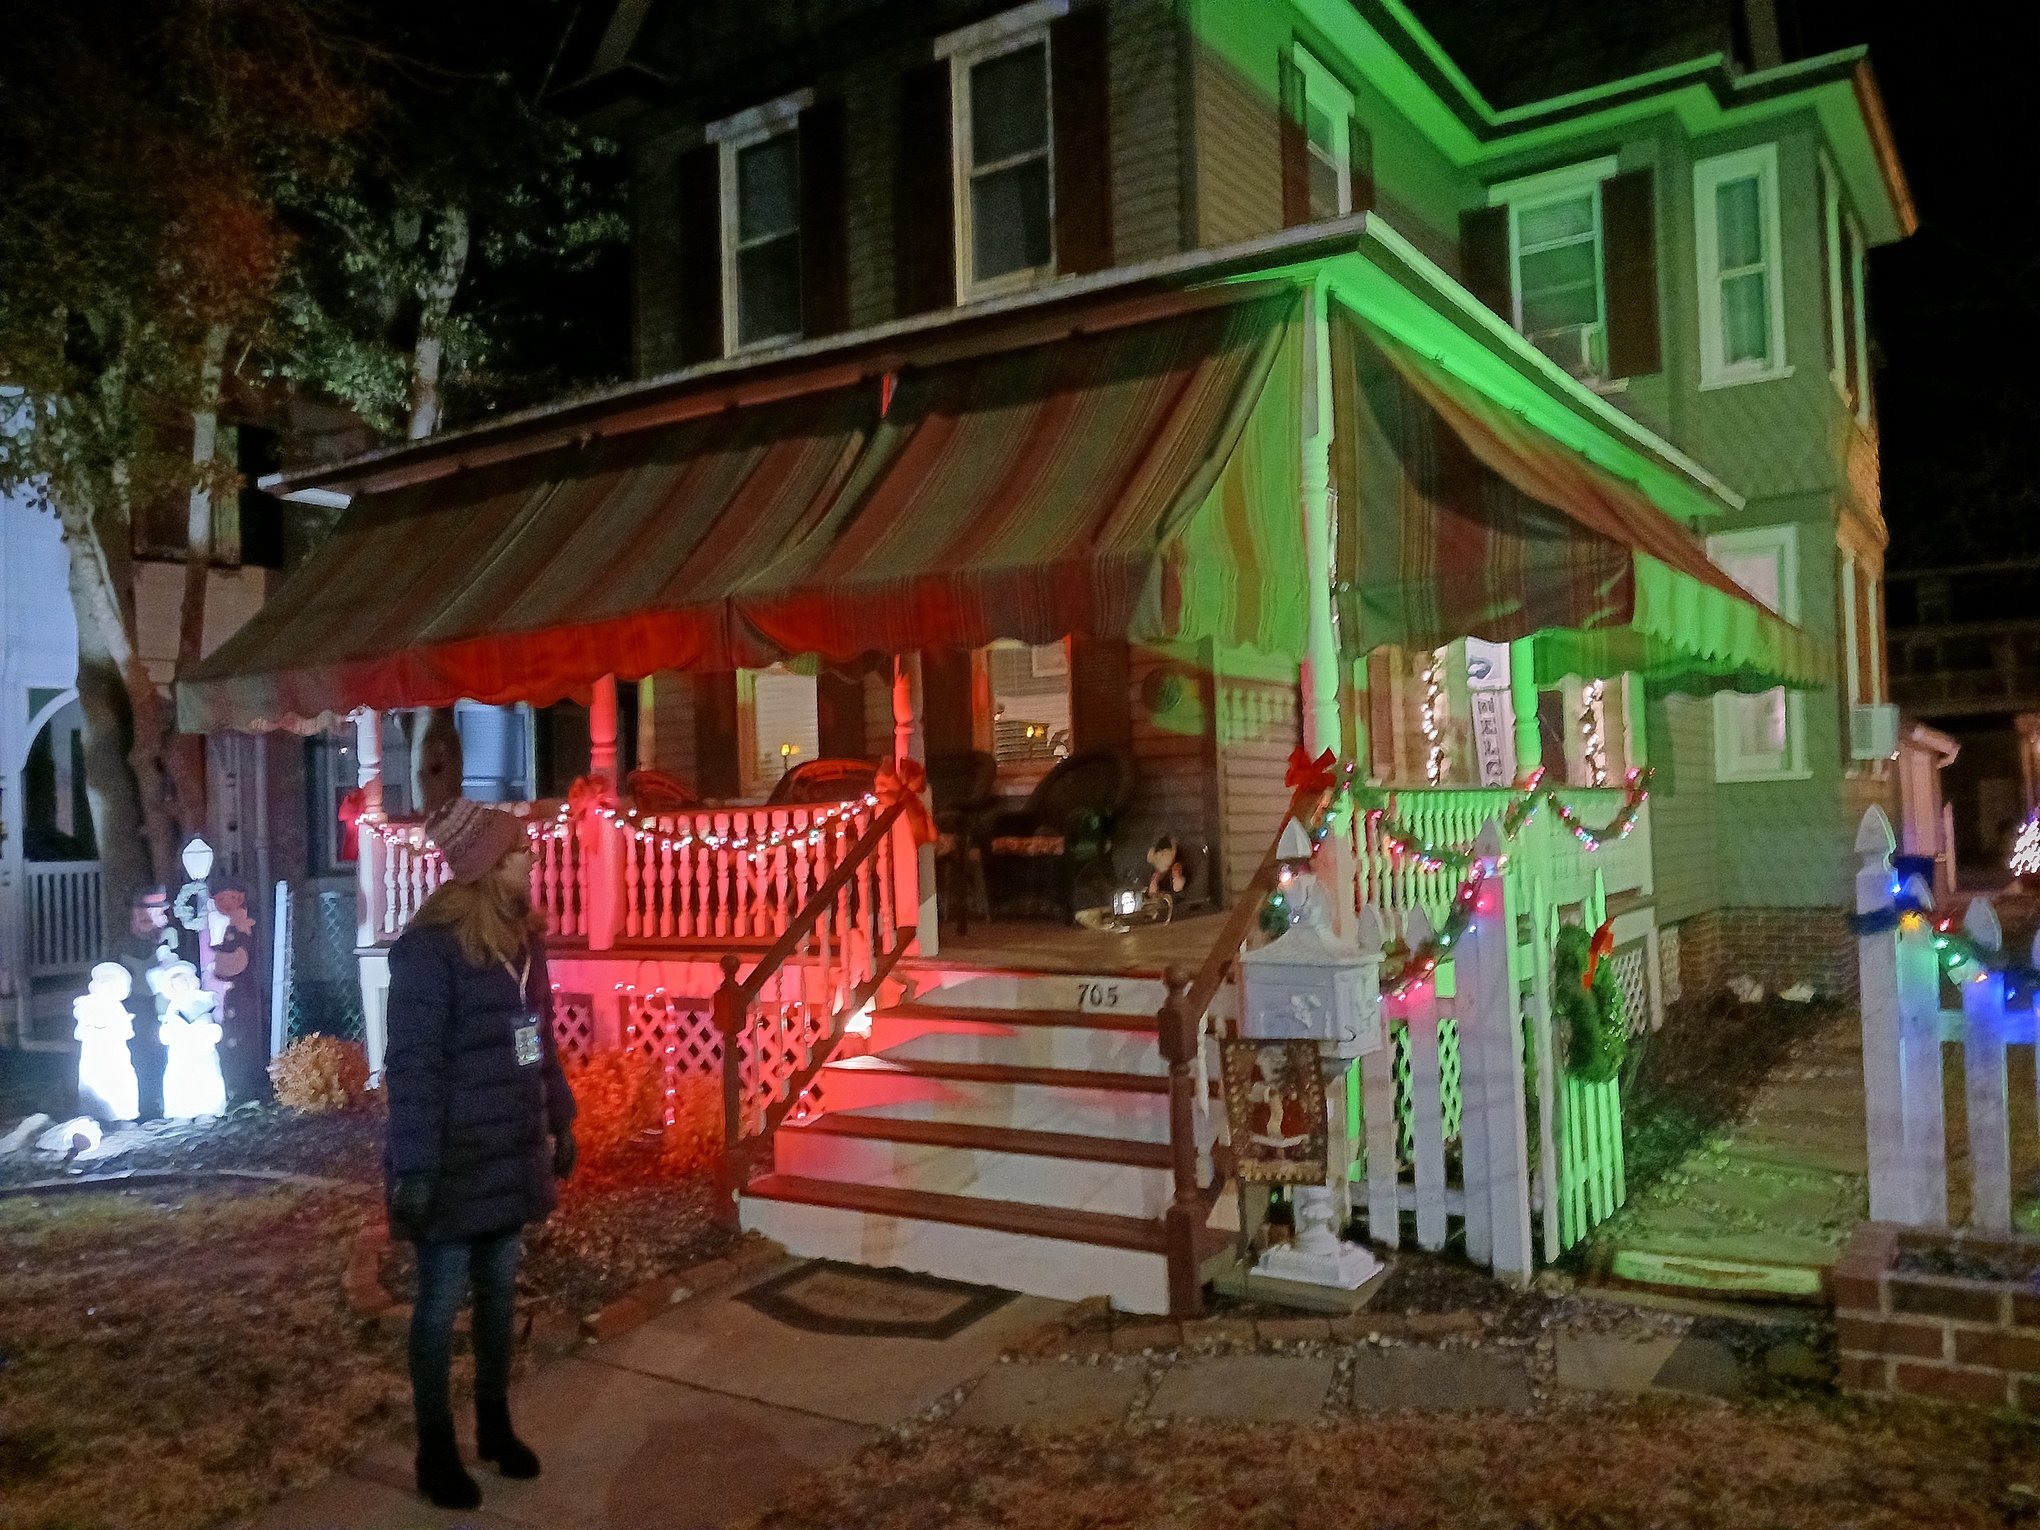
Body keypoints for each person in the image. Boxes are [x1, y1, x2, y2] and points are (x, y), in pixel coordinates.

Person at [384, 798, 577, 1511]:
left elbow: (537, 1039)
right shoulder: (429, 951)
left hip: (509, 1149)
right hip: (451, 1159)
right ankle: (436, 1451)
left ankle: (495, 1426)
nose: (532, 857)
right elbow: (413, 1066)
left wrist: (560, 1116)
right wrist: (416, 1167)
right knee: (439, 1307)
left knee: (498, 1299)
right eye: (521, 850)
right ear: (489, 865)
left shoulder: (524, 943)